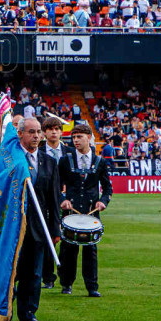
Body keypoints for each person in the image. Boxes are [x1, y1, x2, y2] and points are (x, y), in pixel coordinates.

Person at [16, 117, 61, 321]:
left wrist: (55, 228)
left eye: (38, 132)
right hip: (14, 224)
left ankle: (29, 311)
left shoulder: (49, 162)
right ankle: (6, 303)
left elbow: (54, 199)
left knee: (34, 271)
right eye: (31, 132)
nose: (36, 136)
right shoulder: (12, 159)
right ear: (20, 134)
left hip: (38, 225)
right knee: (13, 269)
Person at [58, 123, 111, 298]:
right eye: (74, 137)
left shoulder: (100, 162)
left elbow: (107, 188)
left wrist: (103, 202)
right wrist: (62, 200)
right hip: (70, 212)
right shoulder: (65, 160)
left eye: (79, 137)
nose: (75, 140)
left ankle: (92, 286)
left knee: (90, 250)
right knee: (68, 249)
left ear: (89, 138)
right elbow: (56, 186)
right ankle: (66, 283)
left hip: (90, 213)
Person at [40, 116, 71, 289]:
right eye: (50, 129)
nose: (53, 132)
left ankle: (65, 279)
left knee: (66, 241)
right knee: (47, 238)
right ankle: (48, 277)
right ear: (44, 133)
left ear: (61, 132)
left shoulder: (69, 152)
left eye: (57, 129)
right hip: (45, 200)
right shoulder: (38, 151)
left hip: (67, 201)